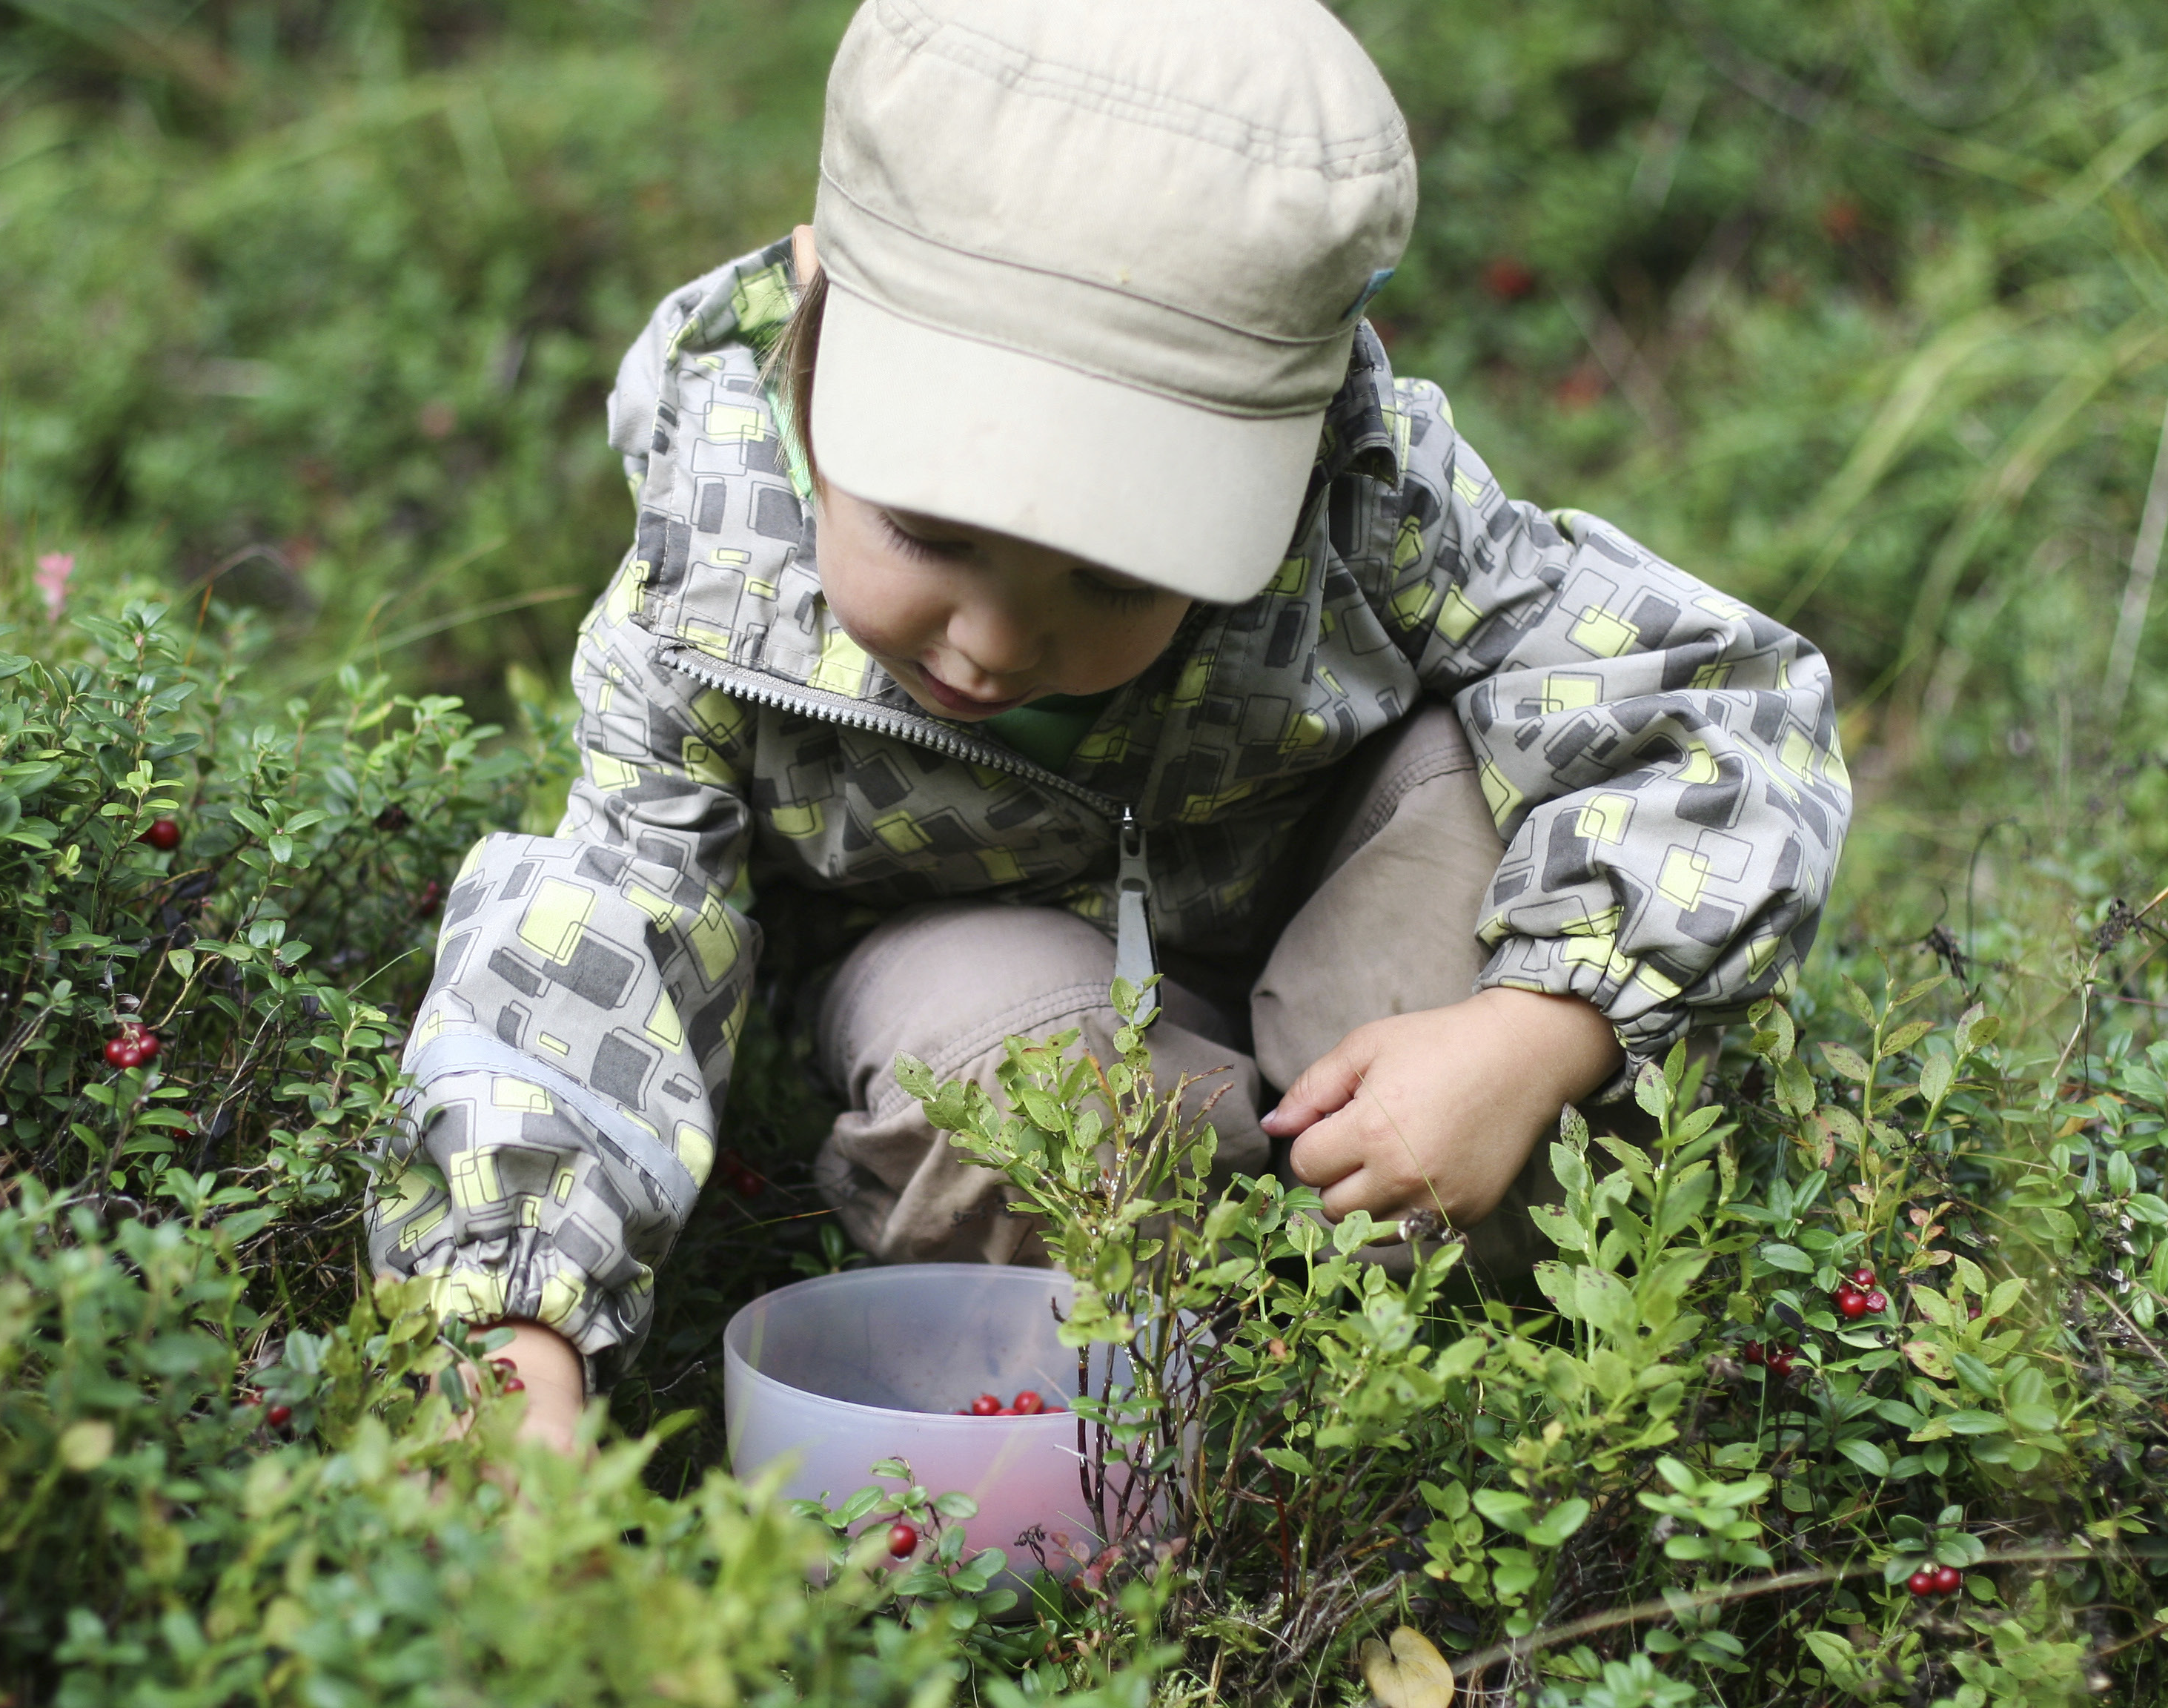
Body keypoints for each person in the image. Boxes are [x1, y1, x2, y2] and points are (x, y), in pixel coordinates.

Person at [368, 0, 1849, 1453]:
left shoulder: (1362, 499)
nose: (996, 640)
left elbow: (1709, 703)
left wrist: (1536, 1035)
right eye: (932, 535)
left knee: (1496, 795)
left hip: (1353, 961)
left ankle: (1429, 1361)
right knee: (1000, 1069)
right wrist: (512, 1341)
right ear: (813, 355)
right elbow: (603, 937)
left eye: (1117, 573)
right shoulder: (715, 592)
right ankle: (1199, 1419)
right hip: (995, 981)